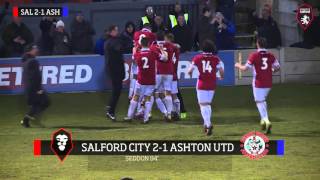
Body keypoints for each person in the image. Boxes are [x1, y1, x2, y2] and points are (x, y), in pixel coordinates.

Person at [235, 37, 280, 134]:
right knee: (262, 101)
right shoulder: (271, 55)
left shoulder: (254, 55)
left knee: (259, 102)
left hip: (258, 83)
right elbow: (278, 67)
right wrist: (272, 70)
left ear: (257, 44)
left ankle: (266, 121)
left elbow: (244, 68)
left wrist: (237, 65)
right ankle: (263, 121)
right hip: (268, 83)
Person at [124, 37, 167, 123]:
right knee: (148, 98)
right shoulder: (153, 53)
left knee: (135, 97)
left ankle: (129, 116)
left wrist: (135, 49)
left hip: (141, 80)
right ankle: (146, 118)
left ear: (141, 44)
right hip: (151, 80)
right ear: (148, 44)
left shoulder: (138, 54)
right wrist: (162, 50)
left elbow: (134, 58)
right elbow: (164, 58)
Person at [188, 40, 224, 136]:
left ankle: (208, 124)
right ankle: (206, 124)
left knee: (203, 105)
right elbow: (221, 69)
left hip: (202, 83)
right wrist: (221, 76)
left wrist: (190, 74)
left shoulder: (197, 57)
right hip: (212, 83)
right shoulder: (216, 58)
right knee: (207, 104)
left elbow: (190, 70)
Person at [21, 44, 50, 128]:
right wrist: (38, 89)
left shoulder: (25, 60)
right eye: (35, 48)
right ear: (30, 50)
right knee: (45, 102)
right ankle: (26, 119)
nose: (37, 50)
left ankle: (26, 120)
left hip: (29, 88)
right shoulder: (33, 61)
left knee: (37, 104)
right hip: (33, 88)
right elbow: (35, 76)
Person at [153, 31, 177, 121]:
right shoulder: (170, 45)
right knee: (168, 92)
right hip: (169, 72)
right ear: (164, 38)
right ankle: (170, 113)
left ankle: (165, 112)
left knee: (155, 93)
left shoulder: (153, 47)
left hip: (158, 72)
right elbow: (176, 47)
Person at [105, 25, 125, 121]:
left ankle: (110, 108)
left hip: (115, 69)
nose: (117, 32)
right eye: (116, 30)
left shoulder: (109, 41)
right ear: (111, 31)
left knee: (116, 91)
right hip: (115, 70)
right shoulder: (111, 42)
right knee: (116, 91)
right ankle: (110, 111)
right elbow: (119, 49)